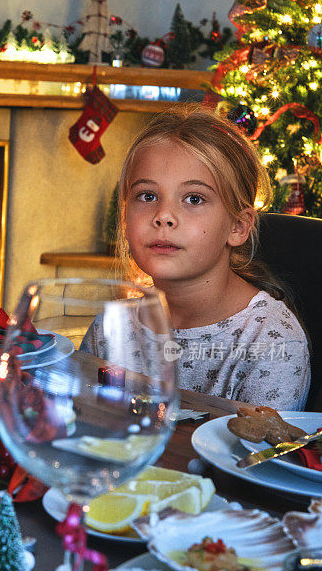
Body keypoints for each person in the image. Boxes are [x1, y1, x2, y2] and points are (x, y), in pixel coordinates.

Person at [81, 107, 311, 409]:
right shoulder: (110, 328)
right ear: (125, 218)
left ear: (237, 227)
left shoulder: (272, 341)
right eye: (147, 196)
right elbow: (84, 426)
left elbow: (262, 453)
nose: (163, 216)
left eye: (194, 199)